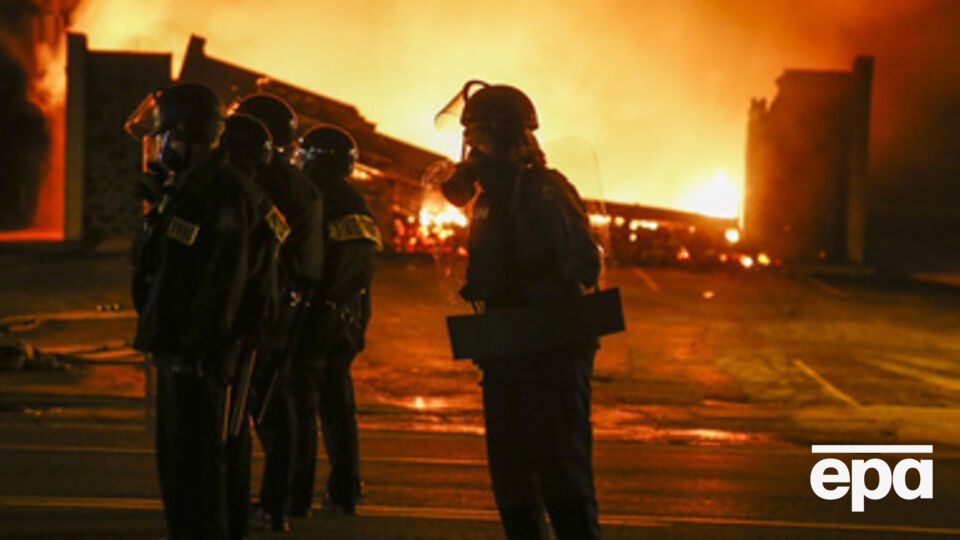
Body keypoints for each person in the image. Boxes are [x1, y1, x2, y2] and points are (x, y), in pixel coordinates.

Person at [439, 83, 603, 540]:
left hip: (549, 352)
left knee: (561, 472)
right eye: (470, 141)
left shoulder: (546, 191)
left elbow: (584, 265)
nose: (471, 151)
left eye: (479, 140)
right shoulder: (491, 199)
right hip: (506, 349)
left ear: (508, 138)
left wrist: (534, 294)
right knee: (511, 476)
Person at [127, 82, 286, 540]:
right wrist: (155, 209)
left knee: (196, 476)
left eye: (164, 137)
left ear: (184, 136)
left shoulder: (223, 195)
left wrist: (203, 351)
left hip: (200, 358)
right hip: (177, 349)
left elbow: (225, 282)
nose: (160, 148)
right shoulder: (188, 189)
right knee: (179, 471)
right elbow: (154, 266)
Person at [231, 93, 325, 533]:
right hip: (287, 309)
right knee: (280, 408)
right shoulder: (301, 185)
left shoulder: (260, 184)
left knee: (242, 413)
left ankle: (253, 505)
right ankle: (280, 502)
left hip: (259, 309)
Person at [289, 124, 380, 516]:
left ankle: (296, 496)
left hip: (314, 316)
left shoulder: (311, 196)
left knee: (301, 407)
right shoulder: (358, 201)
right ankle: (345, 489)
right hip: (348, 318)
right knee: (339, 407)